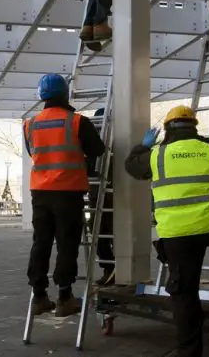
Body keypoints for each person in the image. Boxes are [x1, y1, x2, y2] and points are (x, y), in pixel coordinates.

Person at [124, 105, 209, 357]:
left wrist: (142, 146)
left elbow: (131, 166)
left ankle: (189, 351)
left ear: (167, 130)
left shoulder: (156, 156)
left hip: (178, 234)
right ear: (194, 126)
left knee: (185, 293)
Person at [24, 73, 106, 317]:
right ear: (65, 93)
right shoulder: (77, 122)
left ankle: (39, 296)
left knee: (41, 243)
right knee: (66, 244)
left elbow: (33, 152)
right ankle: (64, 297)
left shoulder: (30, 124)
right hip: (67, 192)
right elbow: (98, 149)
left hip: (39, 192)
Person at [89, 107, 115, 285]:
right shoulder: (93, 143)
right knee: (98, 233)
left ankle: (116, 270)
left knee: (116, 233)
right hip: (98, 194)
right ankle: (109, 269)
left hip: (116, 195)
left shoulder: (121, 140)